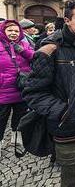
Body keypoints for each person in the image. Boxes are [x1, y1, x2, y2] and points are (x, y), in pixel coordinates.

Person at [22, 0, 75, 187]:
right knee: (71, 181)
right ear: (67, 20)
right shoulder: (50, 49)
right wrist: (65, 113)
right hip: (68, 130)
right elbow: (33, 93)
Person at [0, 19, 34, 157]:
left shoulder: (24, 43)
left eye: (16, 31)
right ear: (3, 31)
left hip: (21, 89)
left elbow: (34, 57)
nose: (13, 33)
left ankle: (16, 140)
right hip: (3, 91)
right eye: (10, 30)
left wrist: (23, 51)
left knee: (19, 117)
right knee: (1, 119)